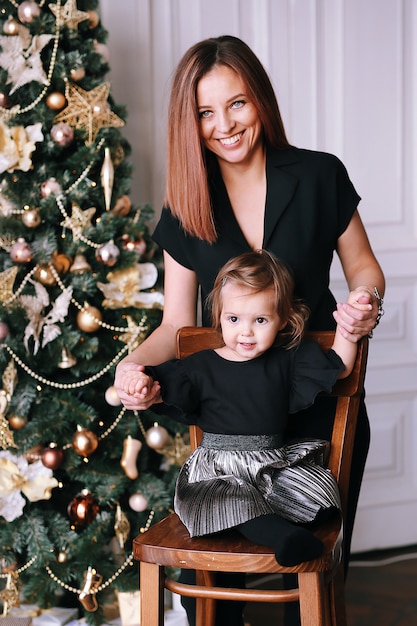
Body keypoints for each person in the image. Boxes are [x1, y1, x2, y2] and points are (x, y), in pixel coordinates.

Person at [114, 35, 385, 626]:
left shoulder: (319, 175)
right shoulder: (187, 206)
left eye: (236, 104)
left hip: (319, 409)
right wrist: (131, 369)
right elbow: (176, 326)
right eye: (206, 112)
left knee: (311, 564)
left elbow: (364, 267)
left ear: (259, 98)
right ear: (191, 122)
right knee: (211, 555)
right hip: (232, 426)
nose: (224, 125)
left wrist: (366, 301)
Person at [121, 250, 362, 568]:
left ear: (283, 320)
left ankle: (270, 525)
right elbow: (158, 387)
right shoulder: (200, 367)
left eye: (260, 320)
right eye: (234, 319)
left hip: (270, 467)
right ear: (219, 315)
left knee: (321, 492)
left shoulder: (288, 360)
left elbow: (341, 367)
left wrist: (350, 329)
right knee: (225, 499)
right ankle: (281, 536)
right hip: (216, 472)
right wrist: (141, 382)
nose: (246, 332)